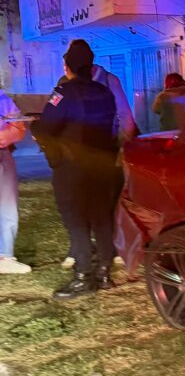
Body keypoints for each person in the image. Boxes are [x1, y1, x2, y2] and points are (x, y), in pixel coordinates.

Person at [33, 40, 121, 300]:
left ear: (67, 66)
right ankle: (104, 272)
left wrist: (36, 129)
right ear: (91, 67)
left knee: (75, 219)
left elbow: (47, 127)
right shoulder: (104, 92)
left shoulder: (63, 93)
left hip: (74, 168)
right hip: (103, 167)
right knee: (102, 218)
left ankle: (83, 276)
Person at [57, 48, 136, 269]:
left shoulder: (109, 81)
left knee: (107, 202)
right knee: (77, 203)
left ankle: (109, 250)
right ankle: (79, 248)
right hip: (75, 155)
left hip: (104, 152)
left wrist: (122, 147)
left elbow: (124, 115)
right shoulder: (65, 82)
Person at [0, 89, 30, 274]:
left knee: (7, 205)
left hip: (3, 154)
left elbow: (18, 128)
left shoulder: (3, 100)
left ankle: (5, 255)